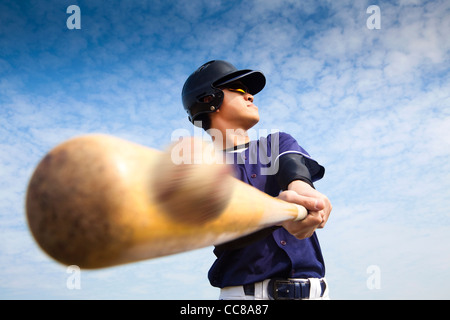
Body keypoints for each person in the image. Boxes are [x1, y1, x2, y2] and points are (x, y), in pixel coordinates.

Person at [181, 60, 332, 300]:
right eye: (238, 90)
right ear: (209, 99)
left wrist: (304, 193)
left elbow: (293, 169)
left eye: (248, 91)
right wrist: (278, 214)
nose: (250, 96)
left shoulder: (277, 142)